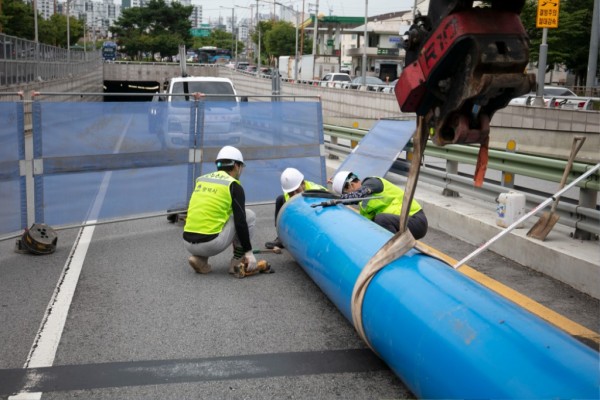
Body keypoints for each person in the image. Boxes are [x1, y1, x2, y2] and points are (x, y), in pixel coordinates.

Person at [183, 146, 257, 274]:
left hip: (187, 242)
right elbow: (240, 221)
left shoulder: (202, 180)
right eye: (241, 167)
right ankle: (237, 262)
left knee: (211, 218)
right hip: (211, 245)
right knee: (249, 215)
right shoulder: (233, 185)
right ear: (236, 166)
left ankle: (200, 259)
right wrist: (249, 252)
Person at [331, 170, 428, 240]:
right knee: (374, 223)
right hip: (402, 224)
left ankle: (393, 250)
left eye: (346, 193)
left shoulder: (373, 182)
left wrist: (335, 199)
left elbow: (357, 195)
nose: (348, 196)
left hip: (416, 220)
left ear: (350, 185)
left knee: (381, 219)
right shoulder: (363, 205)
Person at [265, 167, 328, 249]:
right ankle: (281, 237)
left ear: (303, 184)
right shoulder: (287, 195)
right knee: (280, 200)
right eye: (291, 193)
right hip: (302, 214)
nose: (295, 195)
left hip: (318, 217)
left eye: (297, 191)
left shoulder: (318, 191)